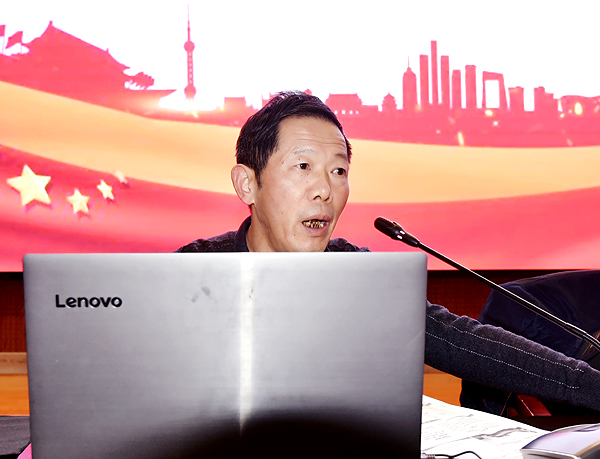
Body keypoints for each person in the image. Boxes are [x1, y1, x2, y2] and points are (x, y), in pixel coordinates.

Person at [177, 91, 600, 414]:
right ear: (247, 184)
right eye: (302, 167)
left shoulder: (359, 276)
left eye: (338, 170)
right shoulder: (188, 275)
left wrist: (592, 386)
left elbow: (470, 345)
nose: (325, 190)